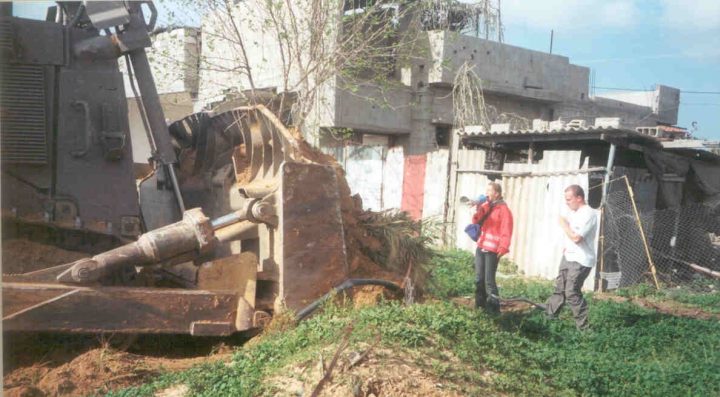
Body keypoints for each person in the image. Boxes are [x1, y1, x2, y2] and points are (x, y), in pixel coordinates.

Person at [542, 184, 598, 330]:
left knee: (572, 292)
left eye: (569, 199)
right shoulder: (574, 211)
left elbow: (576, 238)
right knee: (559, 289)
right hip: (568, 256)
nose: (566, 203)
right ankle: (549, 318)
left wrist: (563, 224)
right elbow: (565, 220)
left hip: (581, 259)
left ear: (579, 198)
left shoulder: (589, 214)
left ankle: (584, 329)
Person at [470, 182, 514, 314]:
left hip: (492, 251)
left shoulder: (503, 210)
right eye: (486, 190)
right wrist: (479, 208)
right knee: (479, 279)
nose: (487, 193)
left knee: (489, 281)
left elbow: (506, 230)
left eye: (490, 190)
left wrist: (503, 247)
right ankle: (479, 309)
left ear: (497, 194)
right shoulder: (487, 206)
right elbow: (475, 221)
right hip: (481, 247)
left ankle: (494, 311)